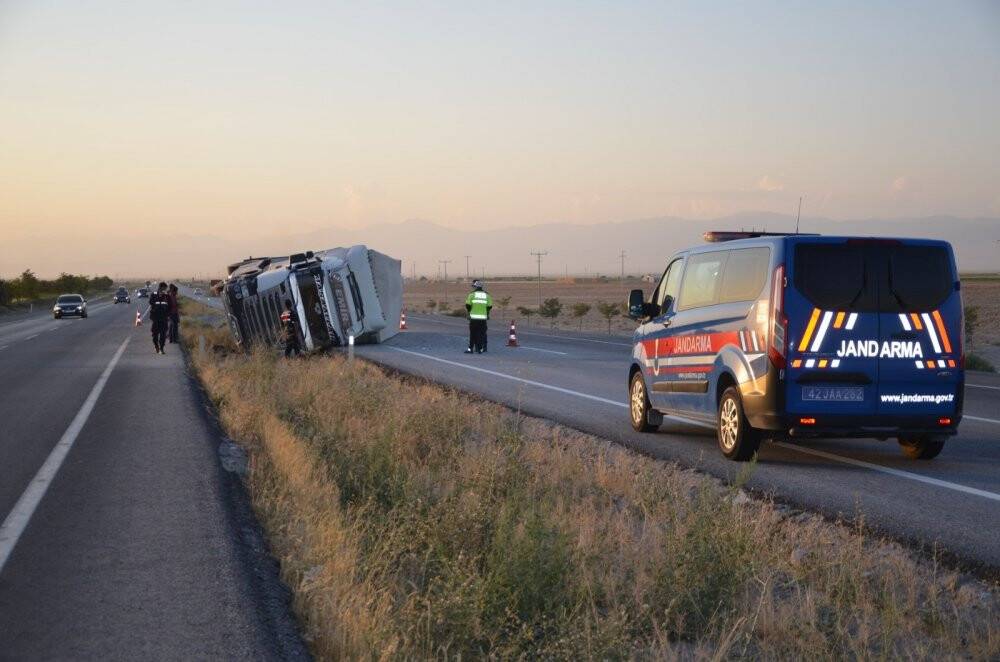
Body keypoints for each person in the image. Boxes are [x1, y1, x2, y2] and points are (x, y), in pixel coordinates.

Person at [464, 280, 492, 354]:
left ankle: (470, 349)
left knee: (473, 334)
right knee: (481, 334)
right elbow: (489, 306)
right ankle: (480, 349)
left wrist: (469, 312)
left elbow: (467, 305)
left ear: (475, 287)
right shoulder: (487, 295)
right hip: (483, 319)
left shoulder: (472, 295)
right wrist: (487, 313)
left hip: (473, 318)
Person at [148, 282, 170, 354]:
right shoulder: (154, 294)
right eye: (164, 288)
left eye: (165, 288)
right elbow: (151, 302)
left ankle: (162, 348)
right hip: (155, 318)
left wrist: (168, 314)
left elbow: (170, 306)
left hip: (164, 318)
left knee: (163, 335)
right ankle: (156, 346)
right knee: (155, 334)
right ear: (161, 287)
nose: (165, 289)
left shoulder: (167, 296)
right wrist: (158, 298)